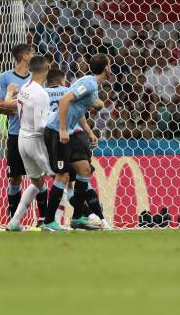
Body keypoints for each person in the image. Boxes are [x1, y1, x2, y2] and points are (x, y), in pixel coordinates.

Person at [42, 54, 110, 231]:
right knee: (63, 176)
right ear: (107, 68)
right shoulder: (88, 83)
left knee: (84, 170)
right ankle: (49, 221)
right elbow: (64, 100)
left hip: (68, 133)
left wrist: (89, 132)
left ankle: (78, 216)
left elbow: (78, 108)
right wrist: (63, 128)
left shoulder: (92, 86)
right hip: (57, 131)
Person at [0, 44, 48, 223]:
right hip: (16, 133)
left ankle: (44, 217)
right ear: (25, 56)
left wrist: (16, 102)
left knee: (39, 176)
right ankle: (13, 218)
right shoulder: (5, 77)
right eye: (31, 52)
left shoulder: (36, 77)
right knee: (14, 178)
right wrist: (16, 103)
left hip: (35, 134)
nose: (33, 54)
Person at [6, 56, 52, 231]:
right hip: (35, 141)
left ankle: (15, 221)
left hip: (22, 139)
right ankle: (52, 221)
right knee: (60, 177)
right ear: (47, 68)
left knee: (37, 182)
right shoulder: (41, 93)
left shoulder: (25, 87)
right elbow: (41, 126)